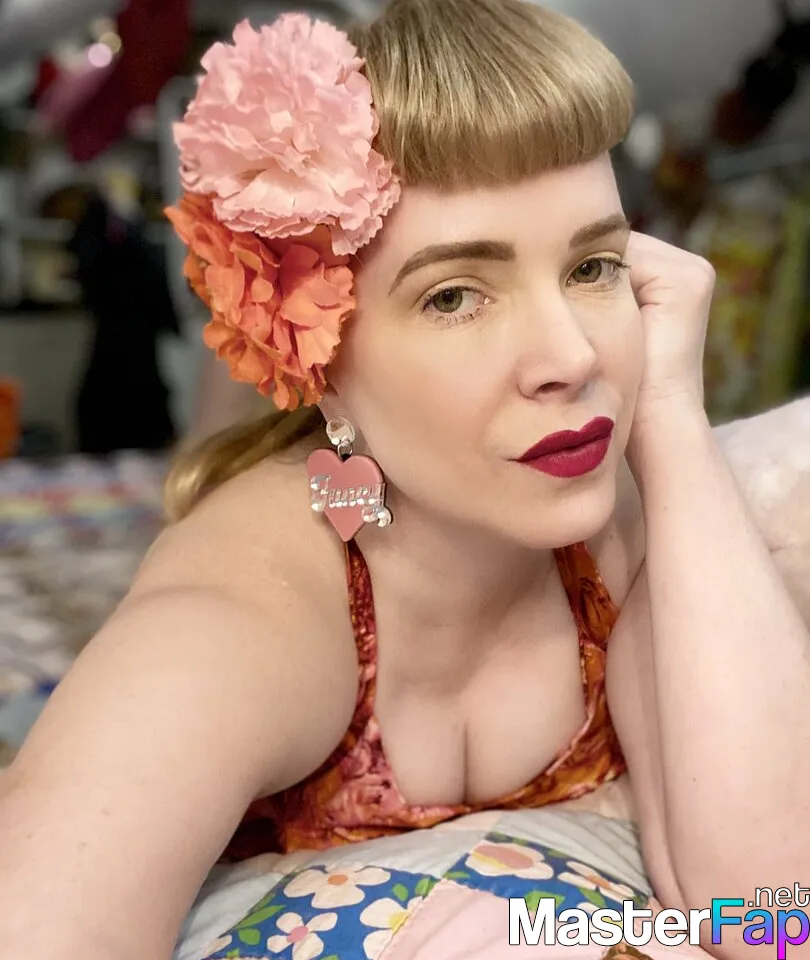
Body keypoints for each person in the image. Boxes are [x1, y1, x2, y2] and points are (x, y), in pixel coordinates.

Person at [2, 2, 809, 959]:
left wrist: (672, 413)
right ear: (315, 352)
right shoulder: (241, 621)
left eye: (593, 266)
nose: (571, 356)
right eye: (454, 294)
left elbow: (773, 915)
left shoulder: (625, 535)